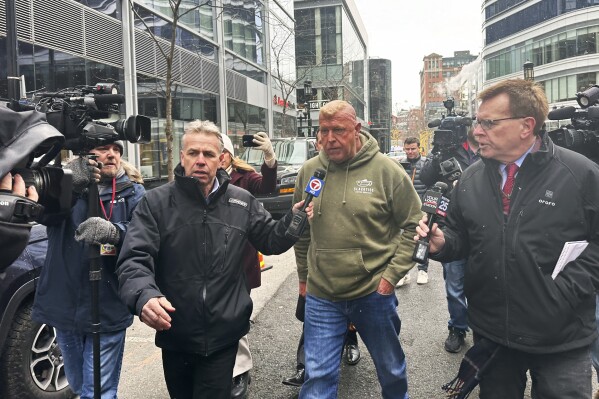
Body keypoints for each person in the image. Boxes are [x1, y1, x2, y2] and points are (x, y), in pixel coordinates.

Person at [415, 79, 599, 398]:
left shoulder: (580, 174)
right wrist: (442, 243)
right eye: (477, 122)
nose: (478, 132)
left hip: (562, 340)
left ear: (526, 126)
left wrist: (566, 290)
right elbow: (460, 233)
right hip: (494, 336)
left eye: (489, 123)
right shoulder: (471, 179)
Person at [116, 120, 312, 399]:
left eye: (208, 154)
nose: (200, 160)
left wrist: (294, 220)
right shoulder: (155, 203)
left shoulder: (242, 201)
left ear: (221, 159)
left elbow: (271, 240)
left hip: (223, 336)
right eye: (193, 153)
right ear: (181, 157)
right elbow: (134, 258)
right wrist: (144, 296)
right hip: (176, 332)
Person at [293, 100, 422, 398]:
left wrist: (390, 278)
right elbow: (299, 231)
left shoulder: (387, 171)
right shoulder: (310, 171)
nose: (329, 139)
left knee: (390, 369)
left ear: (357, 129)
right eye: (323, 131)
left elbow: (414, 225)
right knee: (318, 377)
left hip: (373, 292)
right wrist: (303, 278)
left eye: (338, 130)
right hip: (322, 295)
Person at [32, 141, 145, 399]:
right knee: (80, 386)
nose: (112, 155)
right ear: (85, 155)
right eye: (104, 148)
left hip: (108, 305)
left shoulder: (133, 192)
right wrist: (68, 185)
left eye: (116, 150)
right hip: (65, 305)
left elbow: (147, 237)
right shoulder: (65, 188)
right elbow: (43, 215)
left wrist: (116, 232)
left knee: (98, 392)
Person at [220, 132, 278, 399]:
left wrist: (269, 157)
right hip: (211, 261)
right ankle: (224, 368)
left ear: (228, 155)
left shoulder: (244, 177)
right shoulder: (198, 181)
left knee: (237, 313)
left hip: (240, 260)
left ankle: (239, 370)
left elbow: (266, 187)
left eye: (218, 152)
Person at [420, 124, 479, 353]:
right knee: (454, 286)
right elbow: (426, 179)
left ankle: (483, 328)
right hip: (452, 228)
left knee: (482, 285)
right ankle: (457, 327)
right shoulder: (447, 152)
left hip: (482, 230)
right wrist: (436, 153)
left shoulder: (490, 149)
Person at [396, 136, 430, 286]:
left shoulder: (427, 164)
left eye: (413, 149)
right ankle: (404, 273)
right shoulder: (399, 165)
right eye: (407, 149)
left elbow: (430, 187)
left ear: (419, 148)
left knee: (422, 240)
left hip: (422, 209)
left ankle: (423, 270)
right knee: (403, 242)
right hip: (404, 209)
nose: (410, 152)